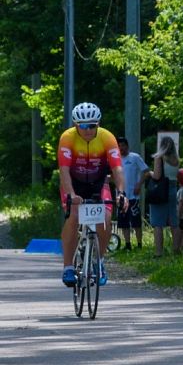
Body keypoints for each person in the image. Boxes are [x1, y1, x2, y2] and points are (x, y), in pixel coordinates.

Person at [58, 102, 128, 287]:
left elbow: (117, 168)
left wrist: (121, 193)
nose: (88, 130)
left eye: (92, 125)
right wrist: (71, 194)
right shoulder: (68, 138)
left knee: (105, 217)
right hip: (73, 182)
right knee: (73, 216)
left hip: (98, 182)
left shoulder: (107, 138)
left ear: (99, 124)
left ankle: (99, 261)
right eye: (83, 126)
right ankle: (68, 267)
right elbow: (64, 170)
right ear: (75, 125)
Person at [148, 135, 180, 258]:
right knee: (173, 221)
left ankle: (159, 252)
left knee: (158, 222)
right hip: (173, 188)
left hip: (161, 190)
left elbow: (157, 176)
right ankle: (176, 250)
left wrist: (149, 173)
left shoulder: (159, 158)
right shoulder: (176, 159)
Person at [116, 137, 150, 250]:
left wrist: (139, 184)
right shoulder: (116, 159)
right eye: (119, 146)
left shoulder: (134, 157)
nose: (121, 148)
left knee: (135, 221)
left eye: (123, 145)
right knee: (123, 221)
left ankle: (139, 244)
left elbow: (146, 171)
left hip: (133, 195)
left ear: (127, 146)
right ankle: (127, 244)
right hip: (121, 195)